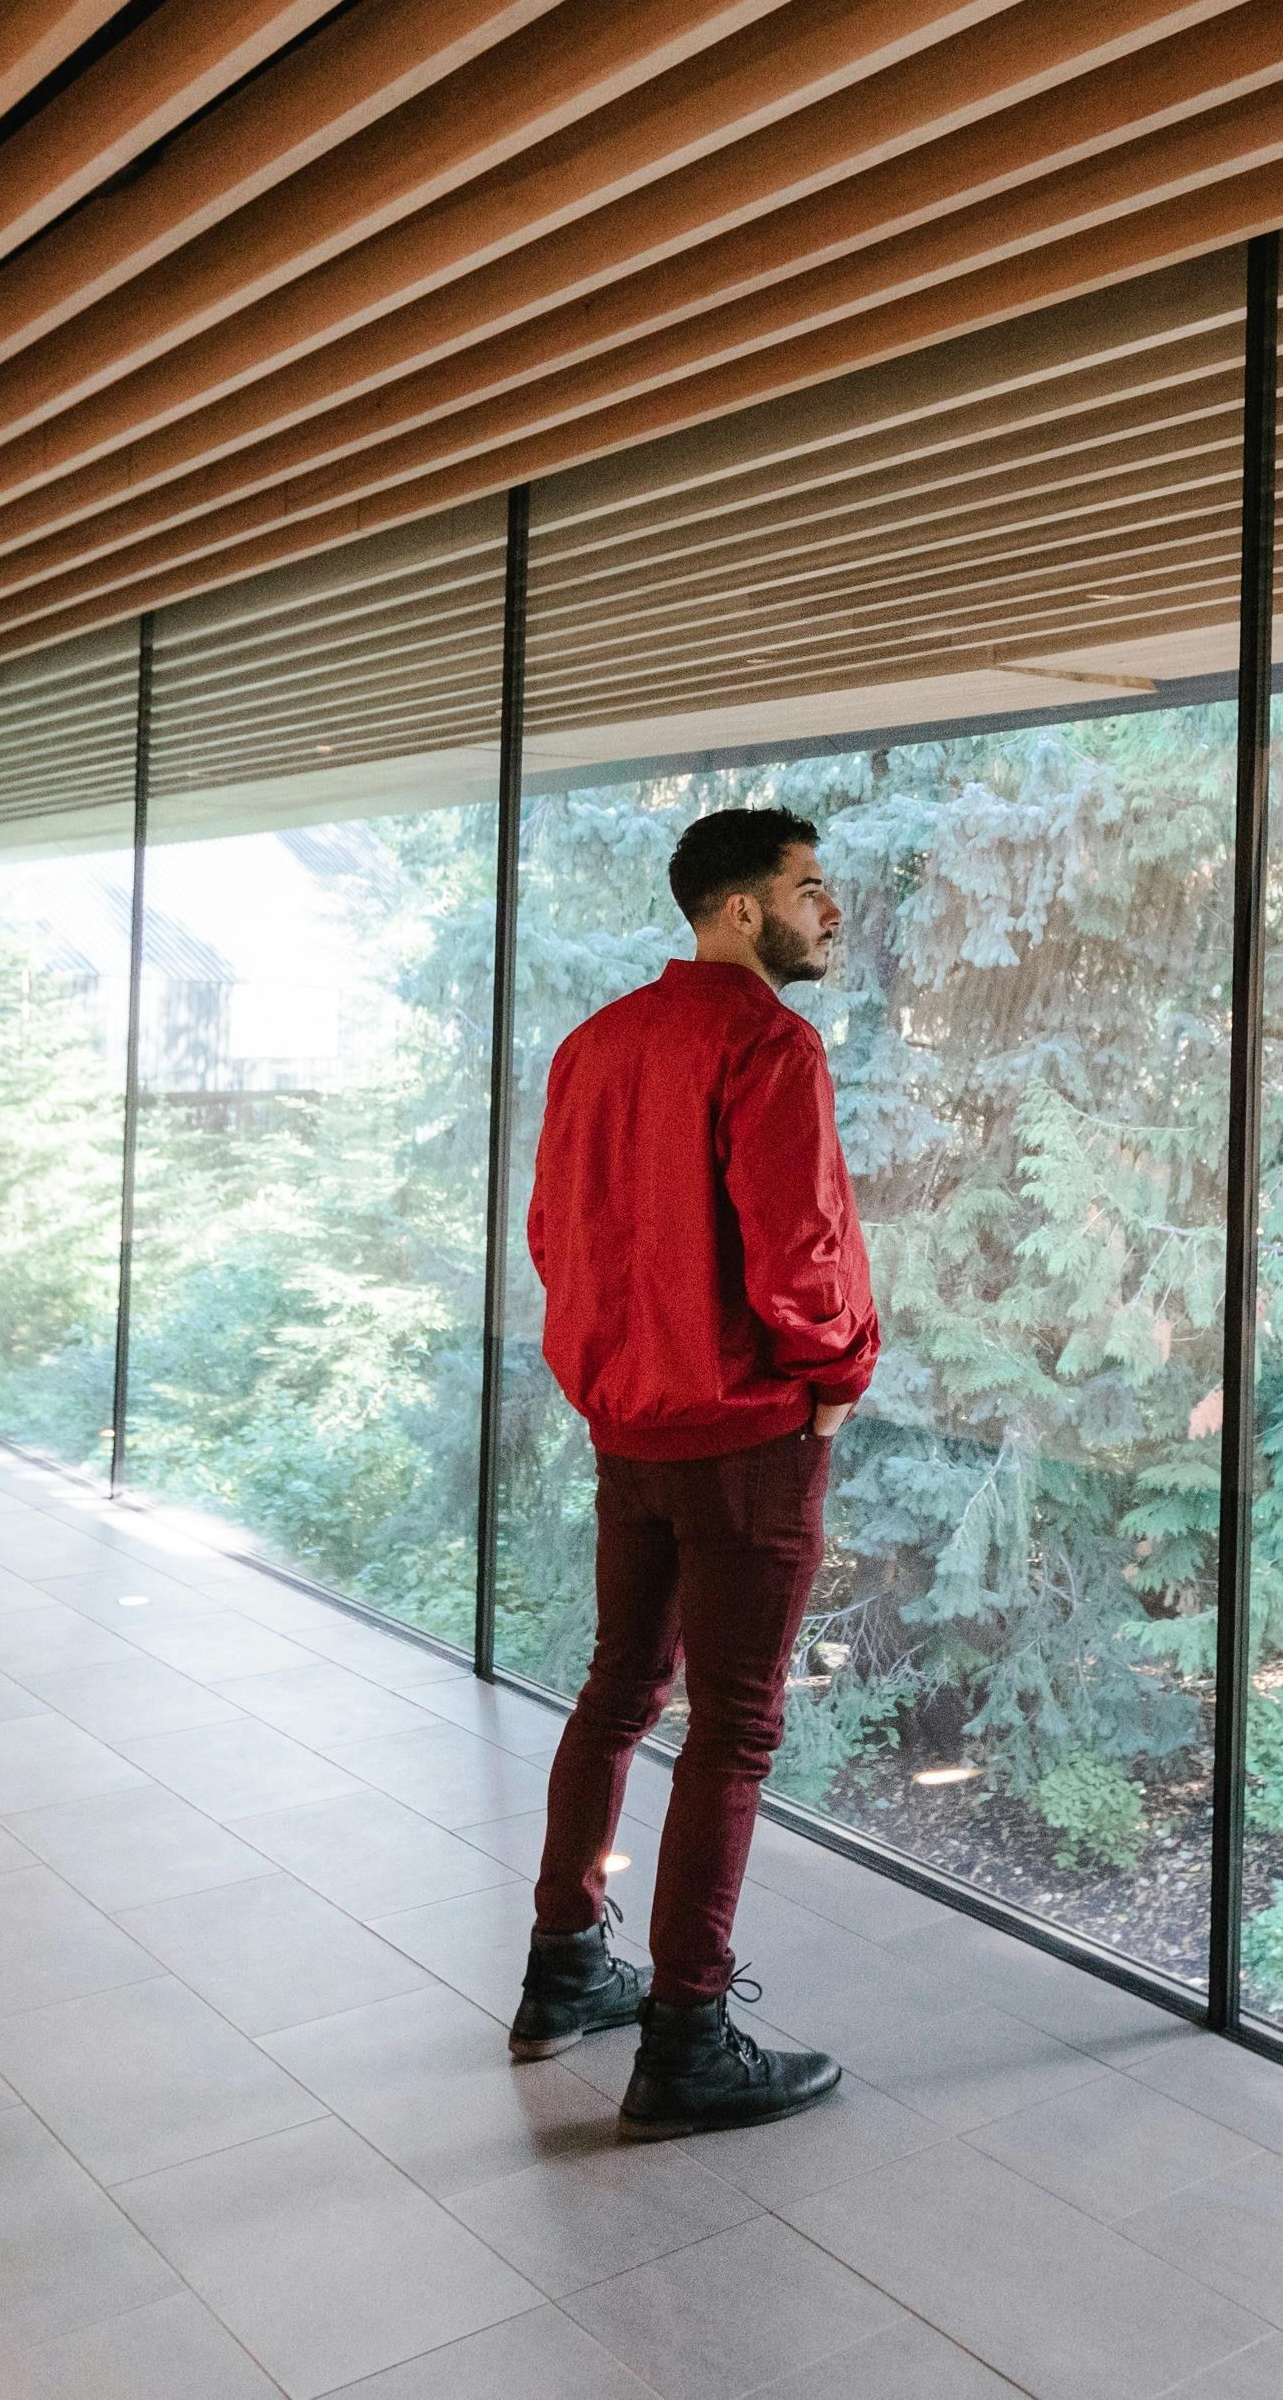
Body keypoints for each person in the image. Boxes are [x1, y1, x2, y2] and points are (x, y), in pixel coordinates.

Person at [512, 807, 876, 2138]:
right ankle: (687, 2034)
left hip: (633, 1431)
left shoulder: (595, 1044)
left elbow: (558, 1238)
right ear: (738, 911)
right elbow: (799, 1250)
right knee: (733, 1730)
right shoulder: (768, 1043)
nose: (829, 911)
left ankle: (563, 1969)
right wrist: (836, 1376)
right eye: (808, 887)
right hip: (745, 1436)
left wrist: (614, 1376)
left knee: (618, 1689)